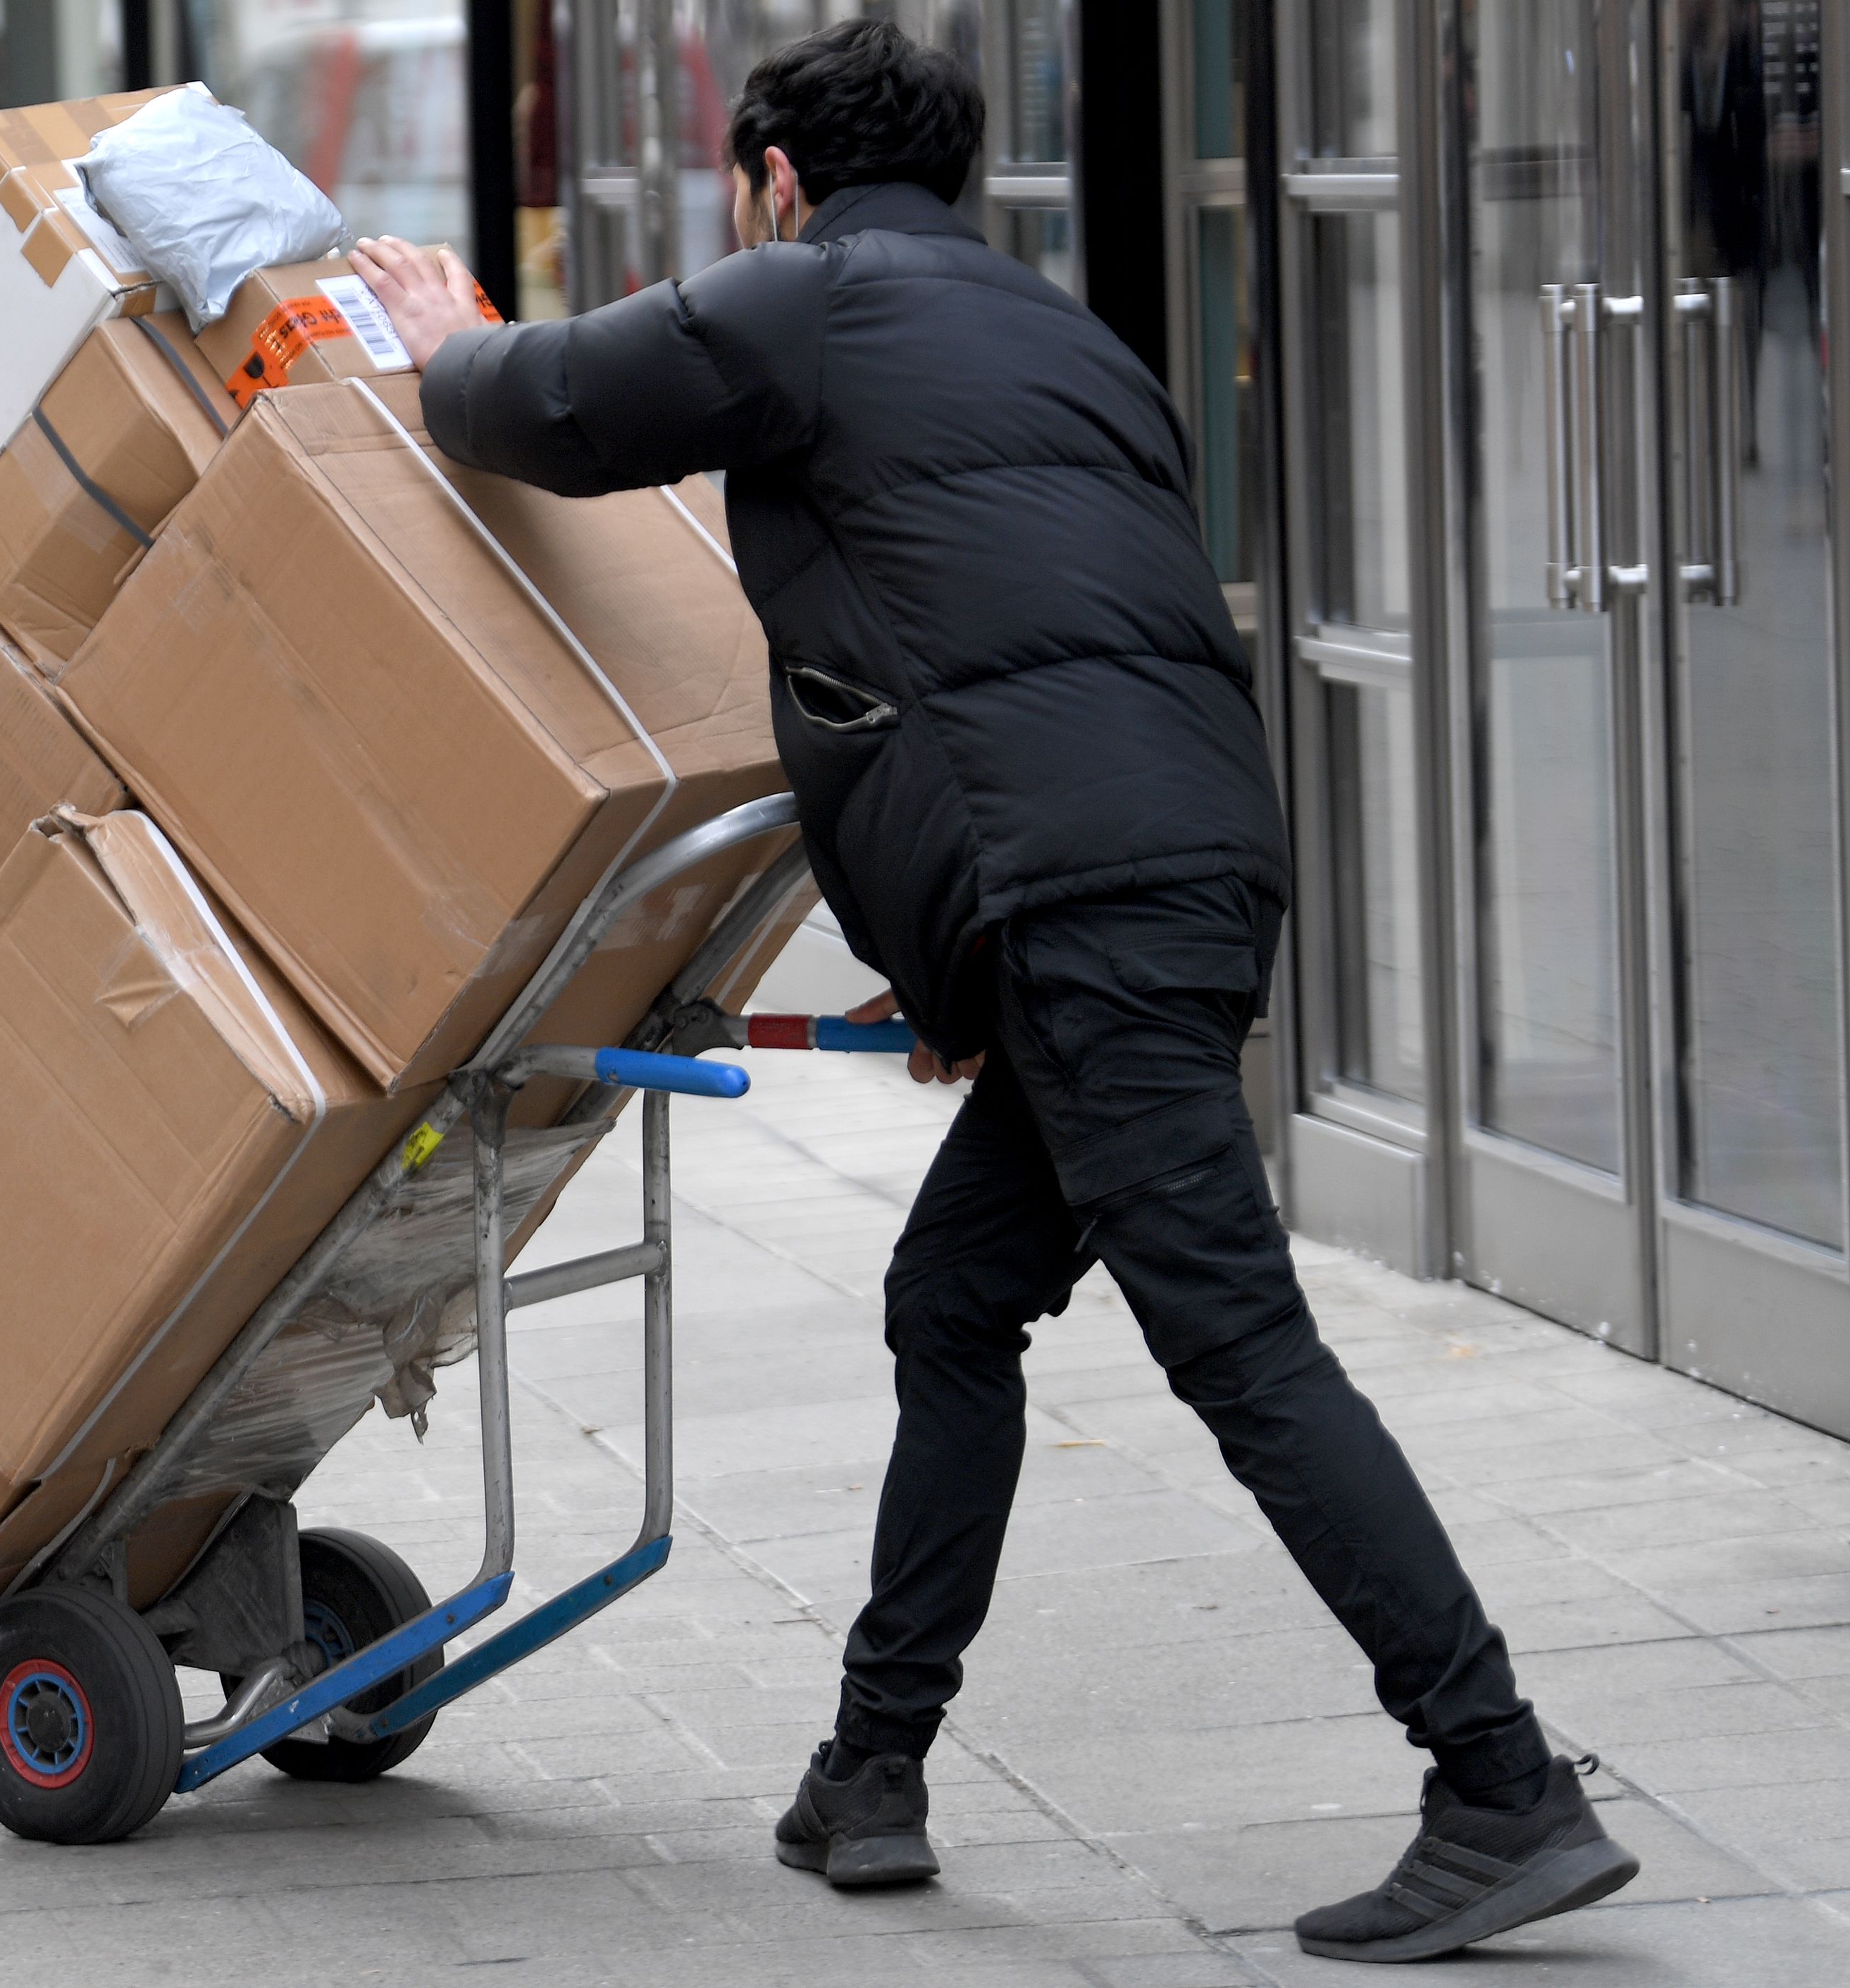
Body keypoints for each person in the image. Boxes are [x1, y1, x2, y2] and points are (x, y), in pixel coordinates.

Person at [349, 18, 1639, 1967]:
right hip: (1178, 874)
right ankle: (874, 1767)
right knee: (950, 1292)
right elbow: (998, 636)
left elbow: (541, 407)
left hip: (1086, 904)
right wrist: (973, 951)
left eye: (739, 191)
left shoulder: (808, 302)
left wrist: (428, 326)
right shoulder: (1066, 333)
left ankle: (1500, 1774)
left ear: (773, 178)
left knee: (1242, 1342)